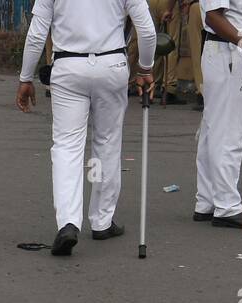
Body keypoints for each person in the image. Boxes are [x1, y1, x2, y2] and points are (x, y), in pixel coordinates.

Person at [16, 0, 156, 256]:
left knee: (67, 146)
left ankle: (68, 222)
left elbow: (37, 32)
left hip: (68, 67)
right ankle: (102, 220)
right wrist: (145, 68)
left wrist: (26, 77)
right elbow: (146, 30)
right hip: (112, 65)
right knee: (107, 142)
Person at [196, 0, 242, 227]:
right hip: (229, 50)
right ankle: (226, 205)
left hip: (229, 49)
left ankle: (207, 200)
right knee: (229, 131)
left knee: (213, 128)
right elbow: (213, 17)